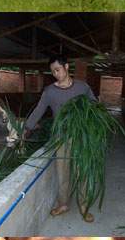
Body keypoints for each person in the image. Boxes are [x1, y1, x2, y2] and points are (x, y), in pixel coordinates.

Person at [23, 52, 97, 221]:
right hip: (61, 138)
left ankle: (84, 205)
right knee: (62, 172)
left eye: (57, 69)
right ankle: (63, 204)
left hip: (81, 136)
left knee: (82, 172)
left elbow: (94, 105)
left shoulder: (82, 87)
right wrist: (27, 127)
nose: (55, 74)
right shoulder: (50, 91)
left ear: (66, 67)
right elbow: (39, 110)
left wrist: (93, 116)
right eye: (53, 71)